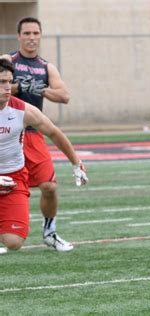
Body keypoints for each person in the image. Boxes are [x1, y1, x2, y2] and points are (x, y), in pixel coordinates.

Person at [0, 17, 73, 251]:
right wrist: (18, 87)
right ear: (19, 36)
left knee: (49, 187)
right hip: (8, 130)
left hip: (32, 131)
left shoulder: (46, 67)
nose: (32, 38)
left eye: (36, 33)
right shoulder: (8, 60)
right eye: (27, 33)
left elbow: (64, 96)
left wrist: (39, 88)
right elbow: (4, 84)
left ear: (40, 36)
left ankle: (50, 232)